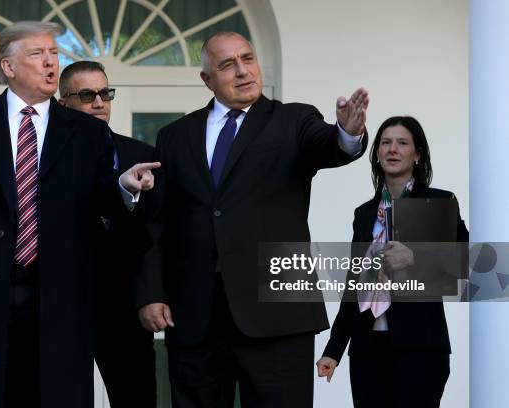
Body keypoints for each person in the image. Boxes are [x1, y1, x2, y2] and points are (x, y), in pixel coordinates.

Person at [0, 21, 158, 408]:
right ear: (8, 67)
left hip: (60, 298)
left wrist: (124, 187)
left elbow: (100, 205)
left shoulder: (86, 132)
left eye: (54, 54)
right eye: (37, 54)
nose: (50, 63)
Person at [135, 31, 369, 408]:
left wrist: (347, 133)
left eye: (248, 58)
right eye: (228, 64)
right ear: (206, 79)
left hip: (276, 314)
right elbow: (155, 223)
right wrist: (151, 293)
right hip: (195, 317)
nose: (243, 71)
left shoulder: (294, 120)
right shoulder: (174, 137)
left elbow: (328, 145)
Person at [316, 116, 469, 408]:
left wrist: (417, 257)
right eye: (385, 143)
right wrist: (333, 350)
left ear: (418, 154)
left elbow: (465, 261)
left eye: (402, 143)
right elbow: (354, 283)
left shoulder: (439, 202)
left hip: (421, 347)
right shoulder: (364, 214)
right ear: (376, 154)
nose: (393, 149)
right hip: (367, 350)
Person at [59, 60, 157, 408]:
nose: (99, 102)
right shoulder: (44, 158)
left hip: (125, 307)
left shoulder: (141, 156)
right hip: (62, 306)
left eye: (105, 93)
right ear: (63, 102)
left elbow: (153, 234)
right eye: (87, 95)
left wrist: (152, 294)